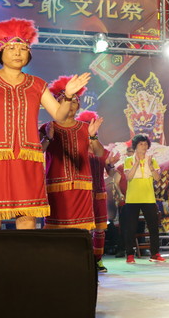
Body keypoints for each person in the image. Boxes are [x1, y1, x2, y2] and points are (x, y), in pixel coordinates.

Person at [0, 18, 90, 230]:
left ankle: (25, 261)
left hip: (27, 155)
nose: (17, 52)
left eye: (23, 48)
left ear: (29, 54)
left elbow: (59, 116)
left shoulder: (37, 84)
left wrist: (68, 95)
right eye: (11, 48)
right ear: (0, 52)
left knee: (27, 215)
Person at [40, 76, 104, 235]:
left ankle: (82, 259)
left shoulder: (85, 127)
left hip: (82, 185)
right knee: (57, 230)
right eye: (64, 101)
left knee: (81, 230)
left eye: (75, 102)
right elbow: (38, 151)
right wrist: (47, 137)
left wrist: (93, 136)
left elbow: (99, 152)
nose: (70, 105)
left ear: (78, 106)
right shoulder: (47, 127)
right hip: (56, 185)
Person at [78, 110, 120, 273]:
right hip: (83, 193)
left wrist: (111, 164)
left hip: (99, 192)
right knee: (85, 228)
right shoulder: (78, 147)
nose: (93, 128)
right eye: (89, 125)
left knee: (100, 228)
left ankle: (98, 260)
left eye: (94, 125)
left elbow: (110, 172)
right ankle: (83, 259)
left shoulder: (100, 149)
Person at [124, 134, 166, 263]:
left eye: (146, 144)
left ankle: (155, 253)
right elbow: (128, 177)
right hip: (132, 199)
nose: (144, 146)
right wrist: (136, 163)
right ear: (135, 146)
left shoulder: (151, 160)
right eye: (141, 144)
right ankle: (130, 255)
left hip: (148, 198)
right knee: (131, 228)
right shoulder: (129, 160)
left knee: (153, 227)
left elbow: (158, 178)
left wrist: (150, 165)